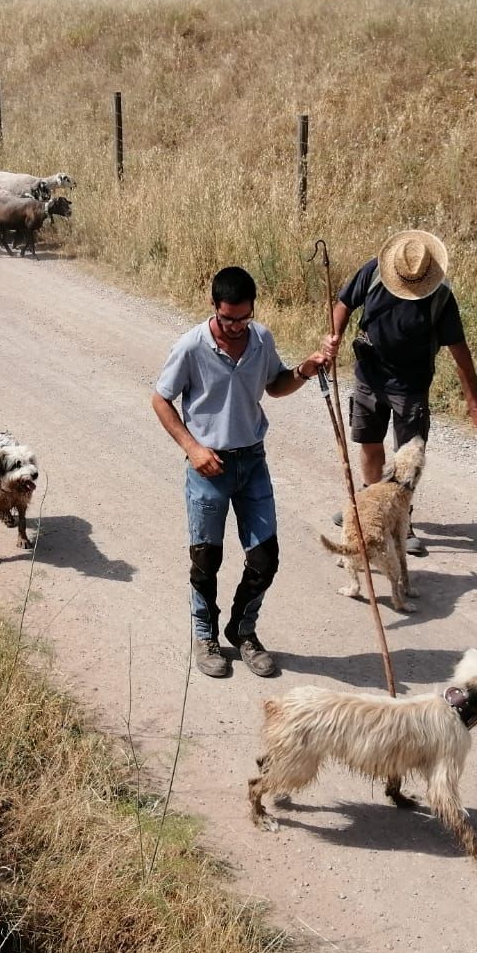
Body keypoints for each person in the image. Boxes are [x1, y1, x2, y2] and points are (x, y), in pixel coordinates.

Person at [152, 266, 331, 678]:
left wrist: (304, 370)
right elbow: (161, 400)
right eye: (228, 318)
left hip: (252, 462)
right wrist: (193, 448)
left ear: (252, 310)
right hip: (208, 466)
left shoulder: (261, 339)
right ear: (214, 307)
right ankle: (205, 633)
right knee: (205, 560)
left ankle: (242, 629)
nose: (235, 326)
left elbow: (276, 384)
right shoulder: (191, 346)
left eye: (243, 318)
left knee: (266, 558)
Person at [325, 231, 477, 556]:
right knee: (369, 441)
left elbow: (460, 352)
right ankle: (368, 507)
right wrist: (333, 338)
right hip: (369, 373)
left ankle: (402, 522)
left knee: (408, 457)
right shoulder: (375, 270)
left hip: (411, 384)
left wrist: (475, 405)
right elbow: (343, 303)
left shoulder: (440, 295)